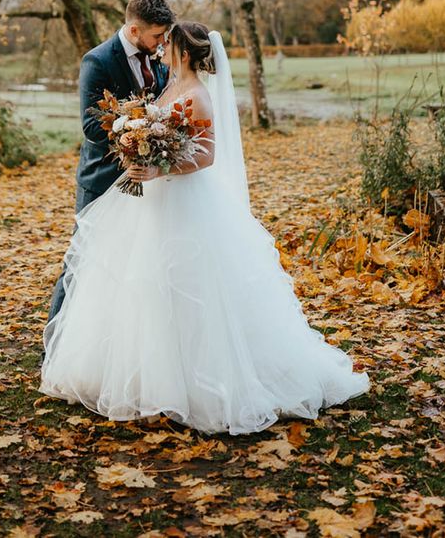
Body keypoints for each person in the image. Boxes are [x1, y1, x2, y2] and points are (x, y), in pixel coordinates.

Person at [39, 22, 370, 435]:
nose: (162, 50)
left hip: (186, 200)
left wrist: (158, 167)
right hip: (157, 200)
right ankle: (145, 373)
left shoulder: (196, 94)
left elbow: (208, 156)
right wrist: (140, 149)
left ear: (184, 51)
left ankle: (194, 384)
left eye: (168, 45)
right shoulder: (171, 84)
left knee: (187, 287)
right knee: (144, 283)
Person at [47, 0, 175, 325]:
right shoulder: (98, 61)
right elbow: (91, 123)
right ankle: (56, 344)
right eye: (157, 36)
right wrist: (139, 128)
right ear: (134, 31)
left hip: (146, 179)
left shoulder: (157, 58)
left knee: (132, 262)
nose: (162, 43)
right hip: (102, 178)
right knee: (82, 259)